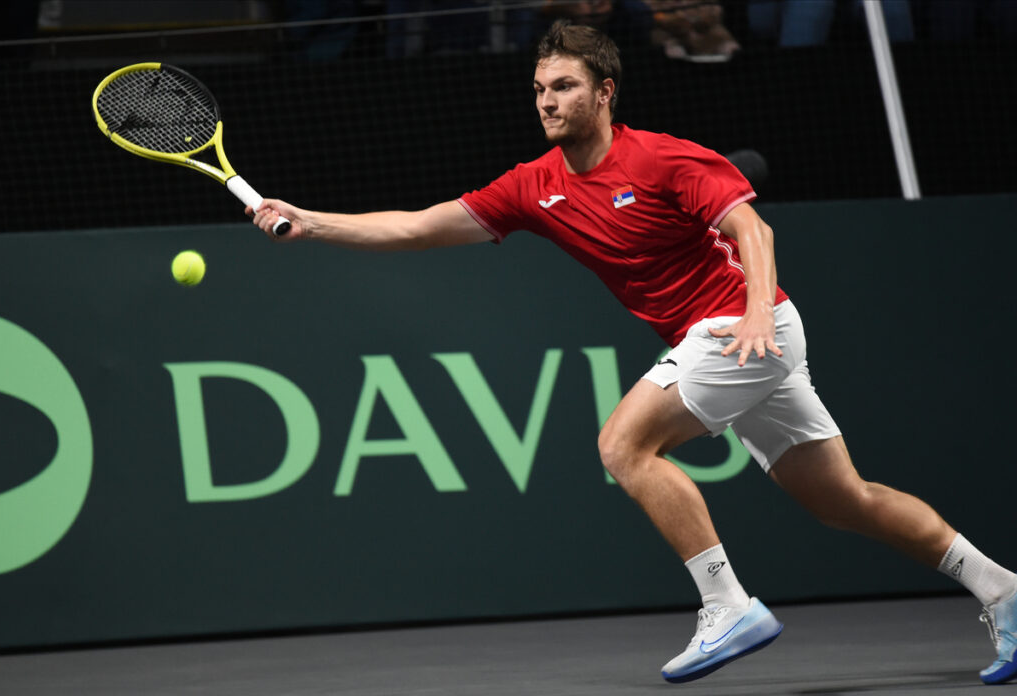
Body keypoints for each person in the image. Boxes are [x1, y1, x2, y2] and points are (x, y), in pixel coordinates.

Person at [248, 20, 1017, 686]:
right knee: (840, 499)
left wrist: (752, 315)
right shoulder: (534, 185)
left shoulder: (664, 159)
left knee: (623, 444)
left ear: (605, 93)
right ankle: (1004, 591)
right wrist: (310, 220)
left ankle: (728, 605)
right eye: (541, 88)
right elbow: (416, 226)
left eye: (565, 87)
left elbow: (755, 233)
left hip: (742, 328)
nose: (548, 101)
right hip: (739, 338)